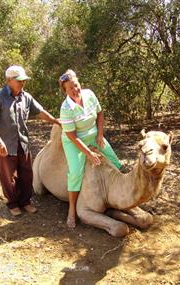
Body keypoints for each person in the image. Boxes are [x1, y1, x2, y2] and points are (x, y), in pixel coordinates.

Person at [0, 65, 60, 216]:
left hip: (23, 142)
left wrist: (56, 121)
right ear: (9, 80)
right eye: (19, 80)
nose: (22, 83)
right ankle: (13, 203)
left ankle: (25, 201)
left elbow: (40, 112)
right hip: (5, 144)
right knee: (8, 176)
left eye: (24, 80)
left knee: (26, 174)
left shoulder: (26, 97)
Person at [59, 69, 122, 228]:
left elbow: (100, 114)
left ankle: (119, 196)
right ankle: (72, 209)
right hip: (74, 140)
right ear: (65, 91)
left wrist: (100, 135)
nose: (75, 90)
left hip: (93, 134)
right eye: (70, 88)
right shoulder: (66, 108)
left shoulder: (89, 94)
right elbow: (72, 136)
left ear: (79, 83)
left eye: (76, 85)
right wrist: (88, 153)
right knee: (75, 172)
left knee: (116, 161)